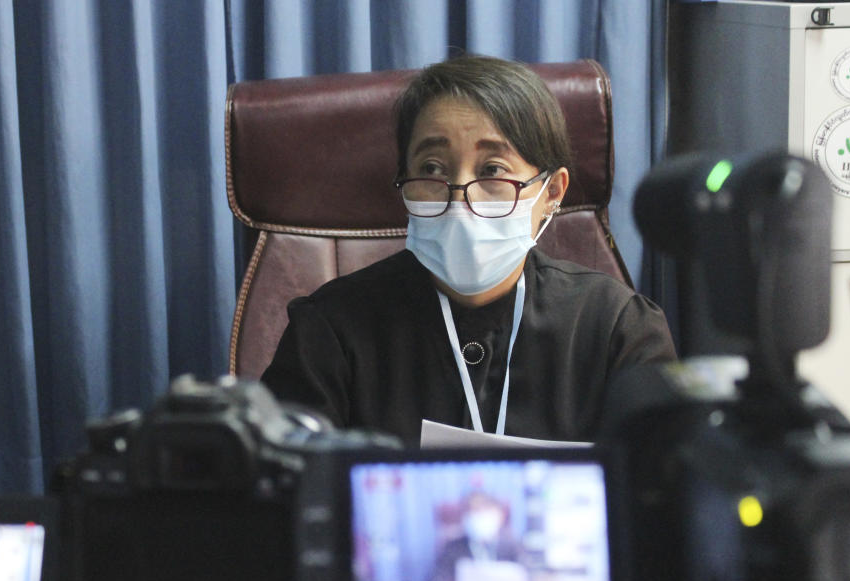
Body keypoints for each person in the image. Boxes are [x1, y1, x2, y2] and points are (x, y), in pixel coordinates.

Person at [262, 54, 675, 443]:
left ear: (552, 192)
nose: (460, 200)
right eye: (431, 169)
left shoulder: (617, 328)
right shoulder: (331, 329)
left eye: (493, 170)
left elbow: (661, 496)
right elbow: (283, 495)